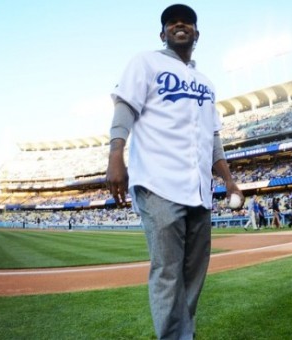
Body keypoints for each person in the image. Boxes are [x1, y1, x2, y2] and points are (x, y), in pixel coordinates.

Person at [105, 5, 243, 339]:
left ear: (197, 34)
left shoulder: (206, 84)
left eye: (187, 22)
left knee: (194, 273)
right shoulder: (146, 61)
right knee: (168, 271)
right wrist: (115, 155)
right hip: (157, 182)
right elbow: (125, 107)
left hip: (199, 189)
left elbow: (212, 137)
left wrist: (228, 179)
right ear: (163, 33)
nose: (180, 25)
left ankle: (184, 334)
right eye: (172, 22)